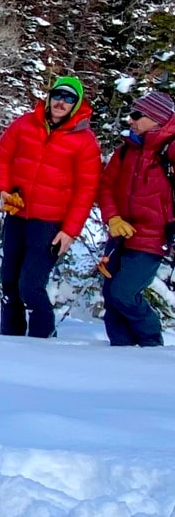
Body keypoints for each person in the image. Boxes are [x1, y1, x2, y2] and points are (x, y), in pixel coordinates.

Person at [0, 76, 101, 339]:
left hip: (49, 223)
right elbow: (1, 156)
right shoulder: (25, 124)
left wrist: (70, 231)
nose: (61, 102)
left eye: (69, 98)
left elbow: (86, 191)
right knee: (9, 281)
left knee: (30, 285)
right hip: (18, 215)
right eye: (58, 96)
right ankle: (10, 336)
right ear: (49, 97)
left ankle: (42, 337)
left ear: (76, 105)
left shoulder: (84, 140)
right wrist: (4, 189)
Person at [97, 89, 175, 348]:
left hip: (152, 238)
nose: (130, 120)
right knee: (110, 294)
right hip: (119, 235)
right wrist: (113, 218)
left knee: (124, 292)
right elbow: (106, 187)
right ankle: (120, 350)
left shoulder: (169, 151)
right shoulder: (125, 151)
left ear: (156, 119)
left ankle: (151, 345)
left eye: (137, 115)